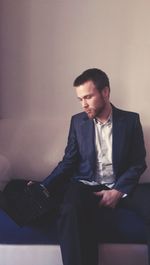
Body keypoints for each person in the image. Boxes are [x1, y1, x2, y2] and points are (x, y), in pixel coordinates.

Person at [40, 68, 149, 265]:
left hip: (121, 184)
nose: (84, 104)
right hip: (86, 185)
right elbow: (68, 161)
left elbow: (138, 162)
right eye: (80, 99)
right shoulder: (77, 122)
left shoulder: (131, 121)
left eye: (88, 97)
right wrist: (44, 186)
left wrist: (118, 190)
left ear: (105, 92)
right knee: (69, 209)